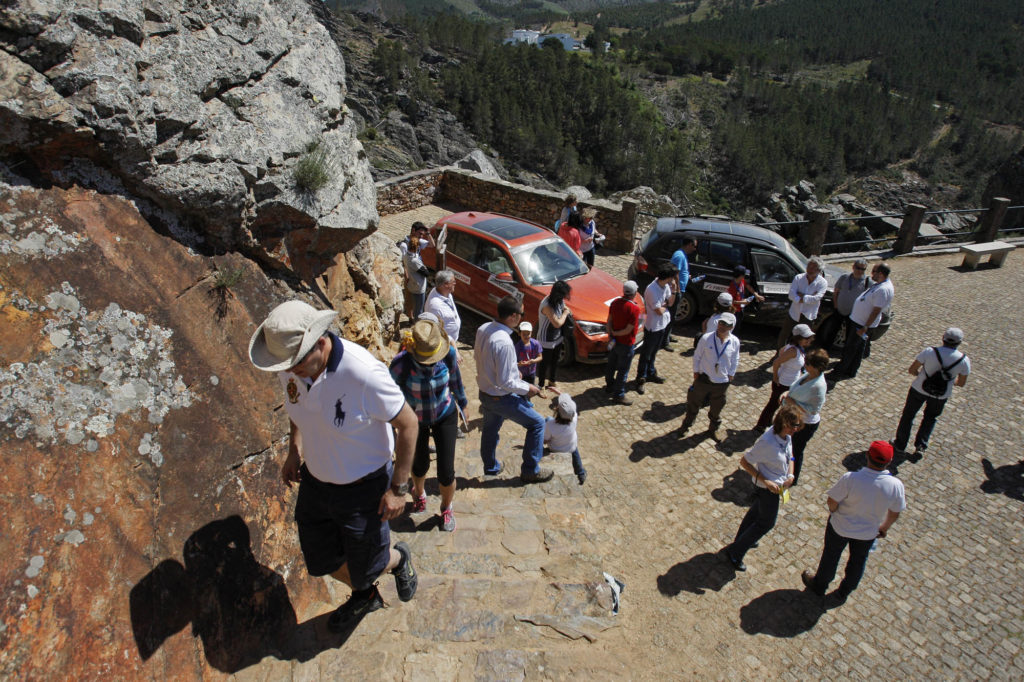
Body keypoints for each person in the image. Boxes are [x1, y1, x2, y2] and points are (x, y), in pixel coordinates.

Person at [248, 300, 419, 630]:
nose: (288, 373)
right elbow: (300, 410)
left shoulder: (362, 374)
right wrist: (294, 451)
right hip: (317, 481)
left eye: (295, 364)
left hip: (364, 487)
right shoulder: (295, 368)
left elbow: (409, 424)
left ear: (321, 342)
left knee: (370, 565)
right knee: (321, 559)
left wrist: (398, 489)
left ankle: (396, 560)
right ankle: (366, 594)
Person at [801, 440, 906, 603]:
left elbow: (832, 501)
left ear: (867, 456)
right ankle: (845, 591)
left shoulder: (851, 478)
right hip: (867, 533)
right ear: (889, 462)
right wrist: (884, 527)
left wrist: (834, 511)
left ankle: (820, 585)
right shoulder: (895, 485)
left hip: (840, 526)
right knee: (858, 561)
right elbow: (895, 512)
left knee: (831, 555)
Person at [389, 319, 467, 532]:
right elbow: (389, 395)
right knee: (419, 464)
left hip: (444, 414)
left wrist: (463, 403)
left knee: (446, 472)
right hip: (415, 421)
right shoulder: (400, 365)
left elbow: (455, 380)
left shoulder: (448, 354)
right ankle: (419, 494)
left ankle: (446, 507)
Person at [474, 296, 552, 483]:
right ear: (514, 316)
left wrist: (512, 369)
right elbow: (505, 382)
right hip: (501, 397)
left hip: (485, 392)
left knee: (490, 430)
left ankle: (491, 466)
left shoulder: (483, 329)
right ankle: (530, 470)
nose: (522, 318)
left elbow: (482, 358)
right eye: (521, 314)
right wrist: (529, 388)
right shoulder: (504, 342)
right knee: (537, 424)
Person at [720, 405, 803, 572]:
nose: (796, 430)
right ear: (784, 423)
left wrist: (791, 475)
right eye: (793, 426)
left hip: (777, 485)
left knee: (756, 513)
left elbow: (791, 455)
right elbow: (745, 462)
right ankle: (735, 553)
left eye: (797, 426)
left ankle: (741, 540)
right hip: (767, 489)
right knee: (766, 523)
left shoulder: (786, 436)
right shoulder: (767, 443)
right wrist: (766, 482)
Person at [891, 327, 970, 461]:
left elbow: (912, 369)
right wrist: (949, 382)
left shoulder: (929, 352)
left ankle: (900, 443)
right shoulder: (964, 360)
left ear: (943, 338)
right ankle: (921, 445)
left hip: (919, 389)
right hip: (941, 395)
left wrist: (921, 376)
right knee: (930, 418)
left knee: (908, 415)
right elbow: (961, 383)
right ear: (959, 343)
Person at [681, 313, 740, 440]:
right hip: (704, 378)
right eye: (721, 323)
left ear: (732, 327)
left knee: (716, 408)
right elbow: (697, 356)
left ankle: (712, 430)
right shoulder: (706, 338)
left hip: (722, 382)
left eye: (726, 325)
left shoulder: (734, 341)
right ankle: (686, 425)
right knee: (693, 403)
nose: (722, 326)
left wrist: (731, 374)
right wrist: (696, 372)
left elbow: (735, 359)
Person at [831, 263, 894, 380]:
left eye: (874, 271)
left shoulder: (883, 290)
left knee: (851, 348)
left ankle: (840, 371)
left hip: (862, 324)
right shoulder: (880, 285)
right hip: (860, 321)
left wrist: (865, 327)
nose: (871, 274)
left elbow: (876, 311)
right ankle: (851, 370)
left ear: (880, 274)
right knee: (858, 348)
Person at [782, 348, 829, 485]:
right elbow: (795, 390)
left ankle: (792, 477)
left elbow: (813, 410)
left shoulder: (818, 386)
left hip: (805, 424)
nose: (805, 365)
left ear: (816, 367)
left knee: (795, 451)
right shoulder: (808, 375)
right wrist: (786, 394)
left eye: (808, 363)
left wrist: (792, 402)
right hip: (792, 417)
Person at [755, 324, 815, 432]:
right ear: (798, 338)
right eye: (806, 338)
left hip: (790, 382)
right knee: (773, 405)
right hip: (783, 383)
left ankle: (767, 421)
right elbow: (777, 362)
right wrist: (775, 377)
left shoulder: (794, 348)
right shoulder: (793, 351)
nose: (809, 340)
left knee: (775, 405)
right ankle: (761, 424)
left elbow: (781, 352)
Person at [634, 264, 678, 394]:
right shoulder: (652, 290)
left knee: (654, 352)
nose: (674, 280)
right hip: (653, 326)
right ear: (668, 277)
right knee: (646, 353)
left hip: (662, 324)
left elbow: (670, 302)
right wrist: (665, 304)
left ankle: (651, 372)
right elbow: (658, 311)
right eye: (673, 277)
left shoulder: (666, 286)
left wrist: (674, 291)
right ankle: (641, 377)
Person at [818, 259, 868, 353]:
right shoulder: (844, 277)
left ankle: (844, 354)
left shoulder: (866, 283)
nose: (860, 271)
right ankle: (825, 350)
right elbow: (836, 291)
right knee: (832, 331)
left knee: (849, 335)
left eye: (863, 269)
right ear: (853, 267)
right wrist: (836, 305)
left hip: (853, 314)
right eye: (858, 268)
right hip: (839, 310)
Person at [777, 256, 827, 349]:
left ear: (819, 270)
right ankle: (780, 353)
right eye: (809, 266)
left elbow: (817, 298)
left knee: (804, 338)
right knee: (784, 334)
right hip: (794, 312)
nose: (809, 269)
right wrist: (808, 297)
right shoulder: (798, 278)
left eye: (813, 268)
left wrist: (801, 296)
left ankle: (798, 356)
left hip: (808, 315)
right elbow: (791, 295)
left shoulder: (822, 283)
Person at [605, 280, 641, 405]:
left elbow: (609, 321)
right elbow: (629, 329)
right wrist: (616, 334)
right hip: (626, 343)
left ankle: (609, 385)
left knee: (611, 364)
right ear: (634, 293)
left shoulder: (615, 303)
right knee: (623, 370)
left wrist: (611, 335)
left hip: (614, 342)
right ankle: (619, 394)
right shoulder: (634, 308)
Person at [544, 392, 587, 485]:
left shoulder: (551, 425)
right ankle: (581, 473)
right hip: (570, 446)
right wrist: (559, 392)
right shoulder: (574, 417)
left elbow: (545, 440)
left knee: (547, 419)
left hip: (556, 449)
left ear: (557, 410)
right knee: (575, 452)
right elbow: (569, 404)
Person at [536, 280, 572, 389]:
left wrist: (565, 310)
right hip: (545, 340)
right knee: (544, 364)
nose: (564, 298)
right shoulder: (547, 305)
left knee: (555, 361)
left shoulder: (559, 300)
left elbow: (564, 307)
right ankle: (540, 385)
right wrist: (566, 313)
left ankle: (552, 380)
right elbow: (557, 323)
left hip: (557, 337)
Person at [665, 237, 698, 348]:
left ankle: (668, 335)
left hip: (680, 288)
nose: (694, 249)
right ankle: (664, 341)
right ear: (689, 244)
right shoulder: (679, 255)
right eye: (694, 246)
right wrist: (678, 288)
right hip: (677, 290)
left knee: (673, 314)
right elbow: (675, 272)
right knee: (670, 315)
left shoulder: (682, 255)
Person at [425, 269, 461, 347]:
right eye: (453, 281)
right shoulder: (435, 307)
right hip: (444, 344)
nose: (455, 283)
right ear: (446, 284)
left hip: (451, 341)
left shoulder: (445, 292)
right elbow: (435, 331)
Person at [727, 266, 764, 331]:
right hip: (734, 311)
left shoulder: (742, 281)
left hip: (740, 309)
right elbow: (731, 301)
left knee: (738, 326)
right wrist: (743, 302)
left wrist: (756, 295)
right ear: (740, 275)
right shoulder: (732, 287)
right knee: (733, 329)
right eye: (744, 274)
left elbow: (748, 287)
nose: (745, 276)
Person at [403, 236, 429, 321]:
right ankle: (417, 325)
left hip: (412, 284)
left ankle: (412, 320)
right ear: (417, 247)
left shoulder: (406, 256)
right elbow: (426, 273)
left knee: (414, 306)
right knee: (419, 310)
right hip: (419, 288)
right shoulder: (414, 261)